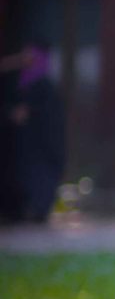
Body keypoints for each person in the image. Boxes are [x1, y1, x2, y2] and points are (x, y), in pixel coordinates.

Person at [0, 41, 65, 223]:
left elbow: (51, 118)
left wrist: (30, 113)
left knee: (38, 180)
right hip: (17, 147)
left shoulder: (46, 86)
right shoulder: (14, 81)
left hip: (40, 148)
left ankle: (35, 211)